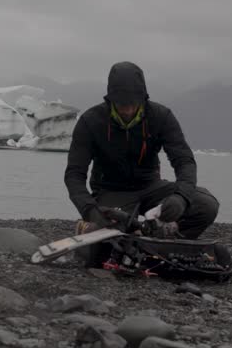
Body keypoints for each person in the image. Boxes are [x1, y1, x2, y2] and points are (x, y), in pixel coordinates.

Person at [64, 61, 219, 239]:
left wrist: (181, 197)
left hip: (151, 186)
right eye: (122, 104)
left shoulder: (161, 117)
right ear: (111, 99)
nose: (128, 110)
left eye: (133, 103)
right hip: (111, 191)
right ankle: (93, 228)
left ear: (143, 98)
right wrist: (89, 209)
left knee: (206, 206)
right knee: (109, 233)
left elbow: (184, 161)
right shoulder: (90, 122)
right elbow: (74, 174)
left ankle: (160, 240)